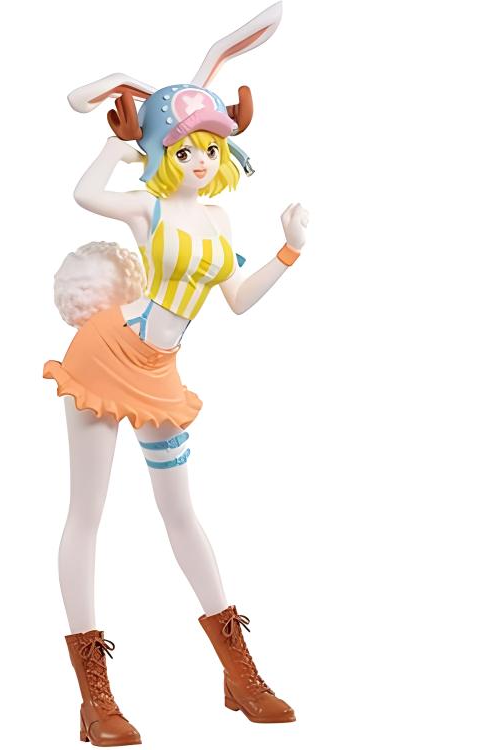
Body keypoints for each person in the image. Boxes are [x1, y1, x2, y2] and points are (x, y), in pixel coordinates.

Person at [43, 4, 309, 745]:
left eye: (209, 147)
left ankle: (238, 673)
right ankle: (95, 698)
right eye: (185, 148)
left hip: (161, 372)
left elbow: (238, 301)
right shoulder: (147, 209)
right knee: (88, 513)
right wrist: (114, 132)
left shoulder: (219, 222)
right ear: (161, 151)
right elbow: (84, 195)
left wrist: (288, 252)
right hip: (106, 357)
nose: (198, 160)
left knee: (181, 512)